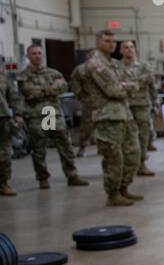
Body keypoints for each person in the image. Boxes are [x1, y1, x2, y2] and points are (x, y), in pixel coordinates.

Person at [83, 29, 142, 206]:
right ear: (98, 42)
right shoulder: (96, 64)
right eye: (107, 41)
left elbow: (130, 84)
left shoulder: (113, 63)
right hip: (107, 116)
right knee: (114, 157)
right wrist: (127, 86)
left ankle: (124, 187)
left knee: (133, 153)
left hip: (124, 113)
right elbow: (113, 90)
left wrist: (125, 85)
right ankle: (113, 193)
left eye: (113, 41)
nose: (111, 44)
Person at [17, 44, 88, 189]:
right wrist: (51, 88)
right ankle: (43, 178)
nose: (37, 56)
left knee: (65, 145)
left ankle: (72, 175)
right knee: (39, 149)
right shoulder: (23, 75)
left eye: (39, 53)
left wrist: (43, 89)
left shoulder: (53, 72)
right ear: (29, 56)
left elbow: (63, 87)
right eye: (33, 53)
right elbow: (29, 92)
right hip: (37, 115)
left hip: (52, 112)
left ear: (42, 55)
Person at [118, 40, 156, 178]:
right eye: (126, 47)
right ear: (121, 50)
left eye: (131, 47)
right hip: (124, 105)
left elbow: (150, 78)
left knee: (143, 135)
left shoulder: (144, 65)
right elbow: (115, 83)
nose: (129, 50)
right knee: (125, 136)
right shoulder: (116, 66)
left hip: (141, 105)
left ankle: (141, 164)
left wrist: (128, 84)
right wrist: (138, 83)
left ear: (135, 49)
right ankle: (126, 165)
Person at [68, 59, 97, 157]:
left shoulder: (107, 66)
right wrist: (80, 97)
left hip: (105, 101)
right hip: (89, 101)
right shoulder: (81, 69)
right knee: (86, 126)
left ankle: (103, 147)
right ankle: (83, 146)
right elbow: (75, 83)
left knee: (105, 125)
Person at [0, 73, 21, 196]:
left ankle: (3, 183)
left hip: (3, 118)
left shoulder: (3, 77)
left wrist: (18, 114)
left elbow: (14, 97)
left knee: (4, 152)